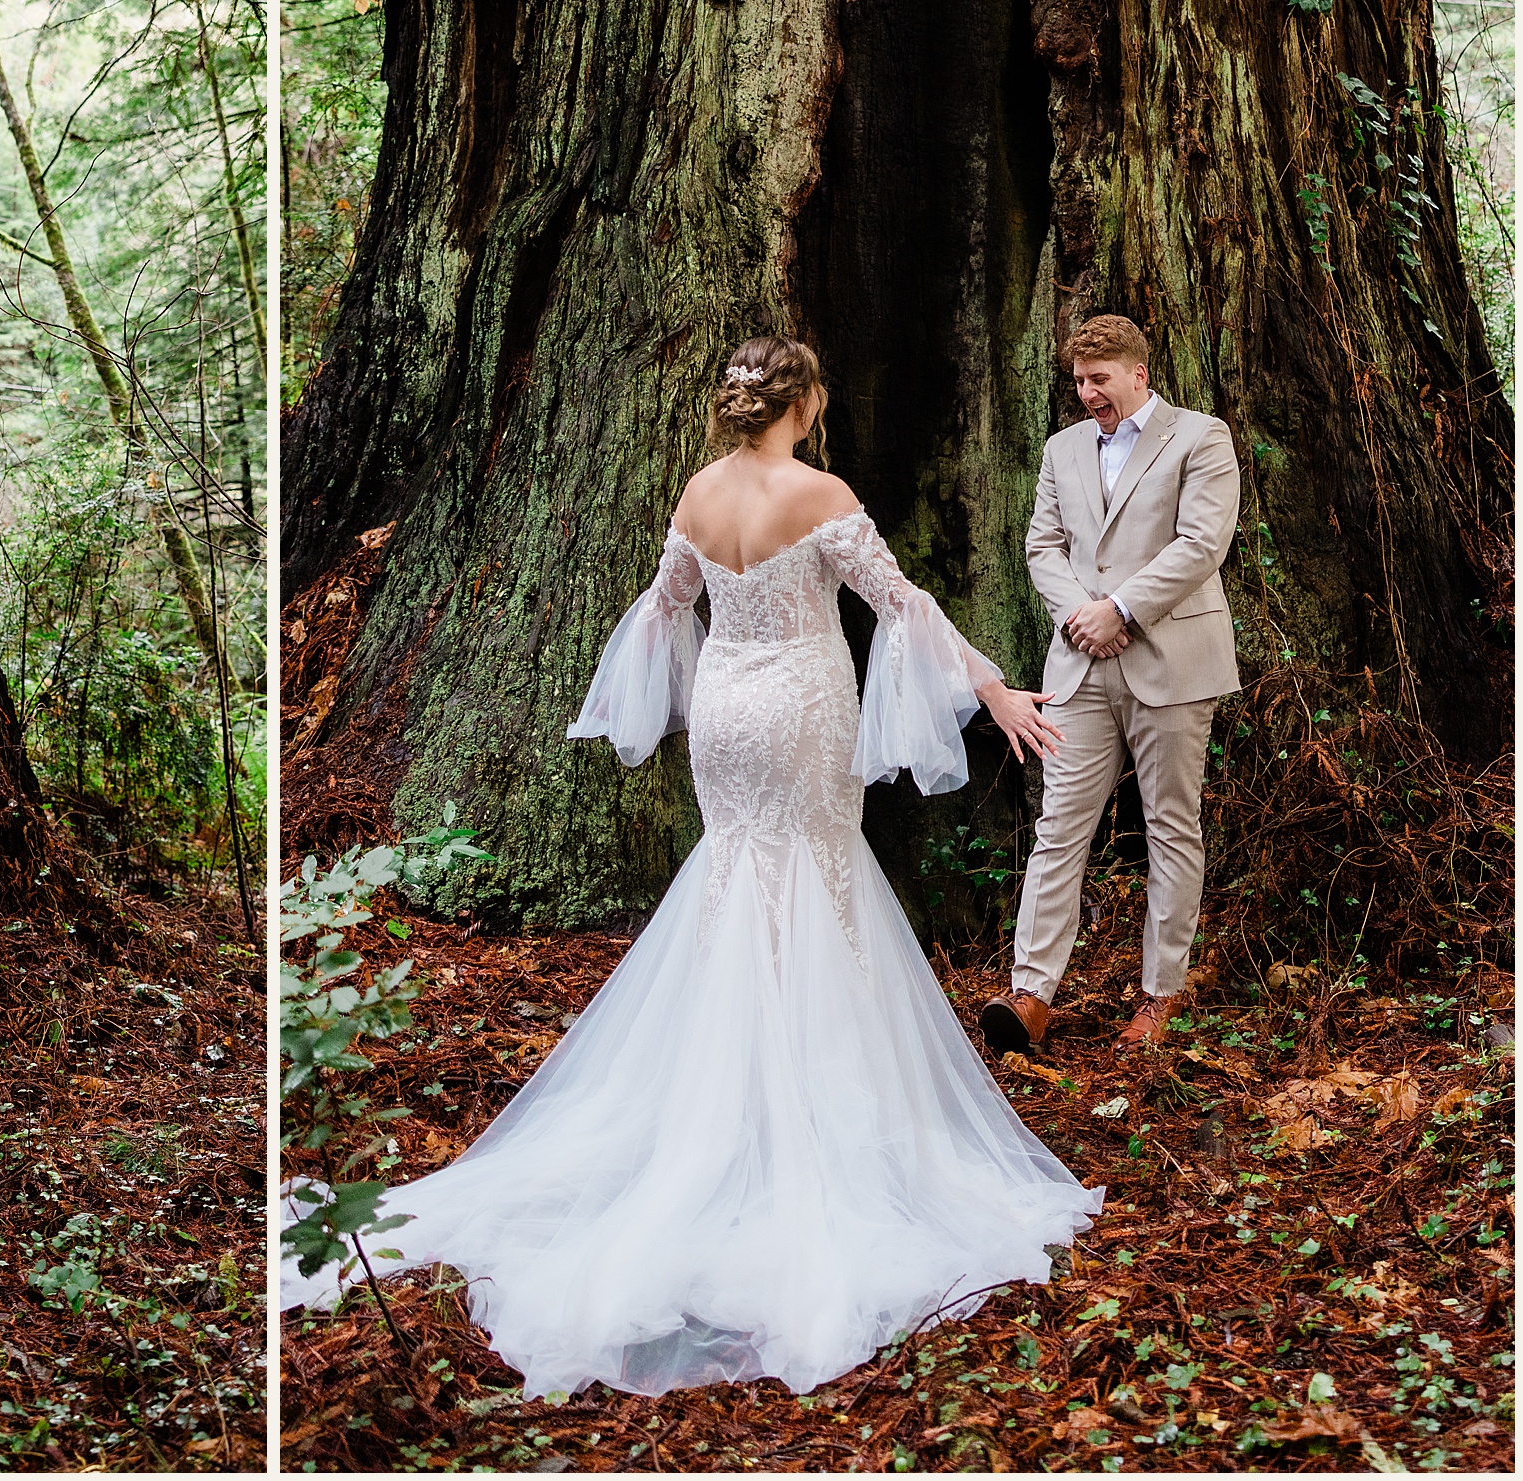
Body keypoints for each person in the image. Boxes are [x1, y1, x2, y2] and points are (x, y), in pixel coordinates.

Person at [283, 336, 1101, 1401]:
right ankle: (811, 1102)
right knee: (815, 876)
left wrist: (674, 683)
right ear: (800, 401)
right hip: (802, 702)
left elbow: (666, 602)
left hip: (724, 710)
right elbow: (896, 600)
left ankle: (727, 1094)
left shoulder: (699, 491)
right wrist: (991, 687)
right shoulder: (820, 491)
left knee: (738, 876)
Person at [982, 314, 1241, 1057]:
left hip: (1174, 660)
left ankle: (1161, 996)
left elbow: (1202, 543)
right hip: (1081, 664)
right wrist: (1080, 616)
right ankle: (1030, 994)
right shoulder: (1063, 448)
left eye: (1100, 379)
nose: (1088, 393)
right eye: (1079, 382)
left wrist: (1120, 608)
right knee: (1060, 826)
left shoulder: (1201, 437)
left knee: (1169, 825)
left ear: (1138, 373)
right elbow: (1044, 544)